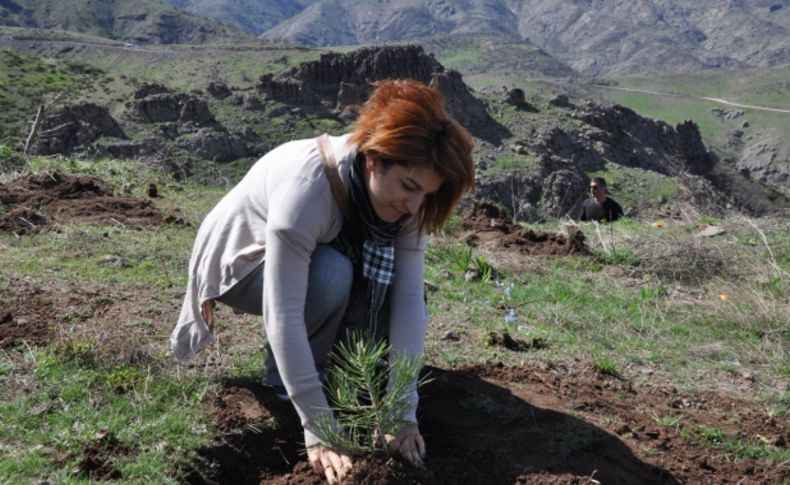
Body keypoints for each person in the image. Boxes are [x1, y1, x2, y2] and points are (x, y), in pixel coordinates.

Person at [170, 79, 475, 483]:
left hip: (316, 256)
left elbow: (407, 302)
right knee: (333, 274)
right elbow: (283, 314)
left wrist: (402, 410)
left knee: (360, 278)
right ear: (374, 160)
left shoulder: (409, 203)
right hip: (243, 262)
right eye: (409, 187)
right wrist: (318, 425)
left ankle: (327, 369)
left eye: (427, 194)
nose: (414, 205)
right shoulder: (307, 192)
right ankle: (287, 384)